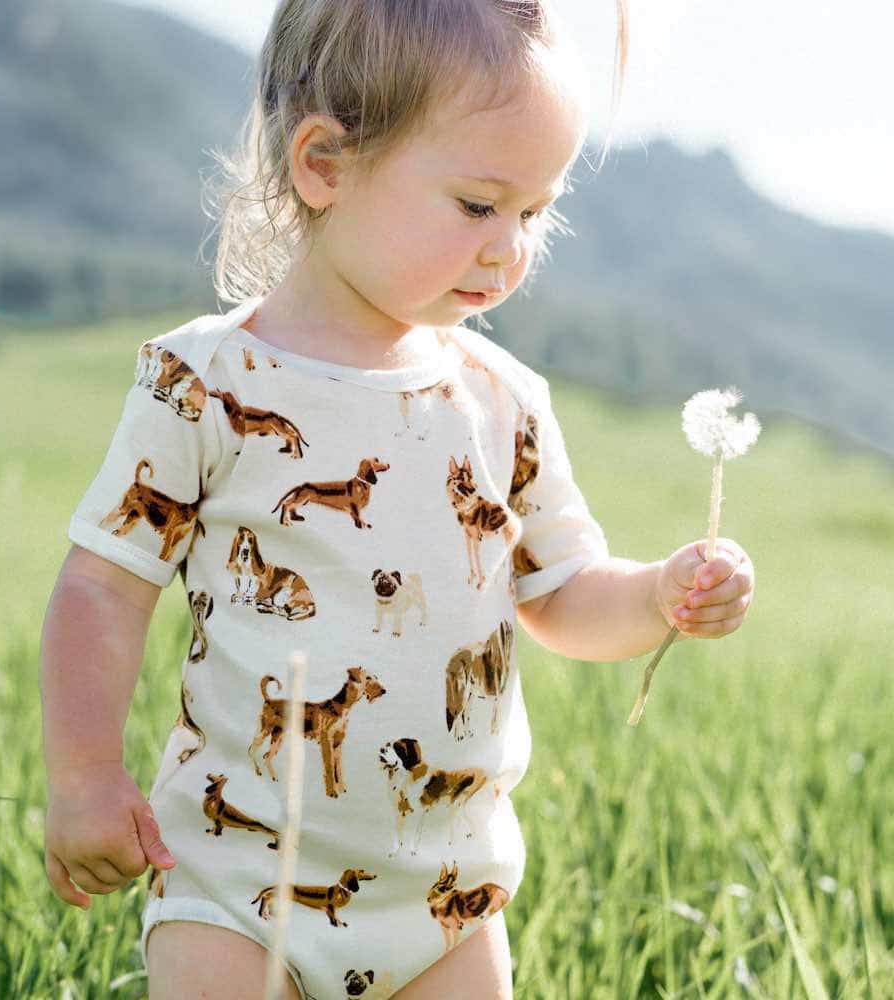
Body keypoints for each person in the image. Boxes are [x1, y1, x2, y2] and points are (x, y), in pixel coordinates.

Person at [39, 1, 756, 998]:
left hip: (445, 901)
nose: (510, 248)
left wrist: (657, 595)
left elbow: (562, 591)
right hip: (236, 878)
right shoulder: (204, 383)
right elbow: (103, 586)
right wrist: (82, 777)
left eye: (534, 212)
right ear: (323, 164)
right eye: (477, 205)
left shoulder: (504, 404)